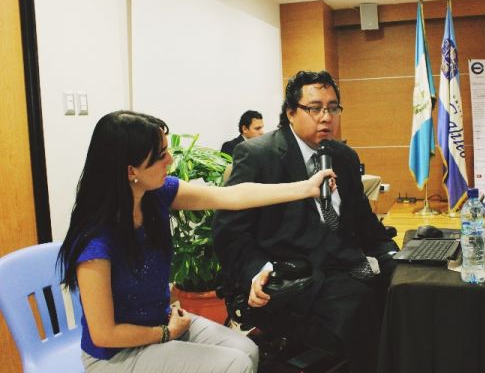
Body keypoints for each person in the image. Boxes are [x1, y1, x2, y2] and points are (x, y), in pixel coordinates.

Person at [57, 110, 334, 373]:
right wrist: (165, 333)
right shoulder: (96, 242)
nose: (170, 161)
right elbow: (104, 334)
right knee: (233, 365)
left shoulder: (156, 195)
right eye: (161, 155)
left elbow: (232, 196)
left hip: (163, 323)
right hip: (116, 356)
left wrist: (306, 188)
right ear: (132, 171)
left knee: (247, 350)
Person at [213, 70, 399, 373]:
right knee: (361, 308)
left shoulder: (344, 157)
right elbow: (229, 233)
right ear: (290, 112)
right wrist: (257, 272)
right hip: (292, 274)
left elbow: (365, 223)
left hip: (345, 265)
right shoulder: (258, 155)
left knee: (403, 292)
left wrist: (393, 256)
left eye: (333, 107)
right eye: (315, 108)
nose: (326, 117)